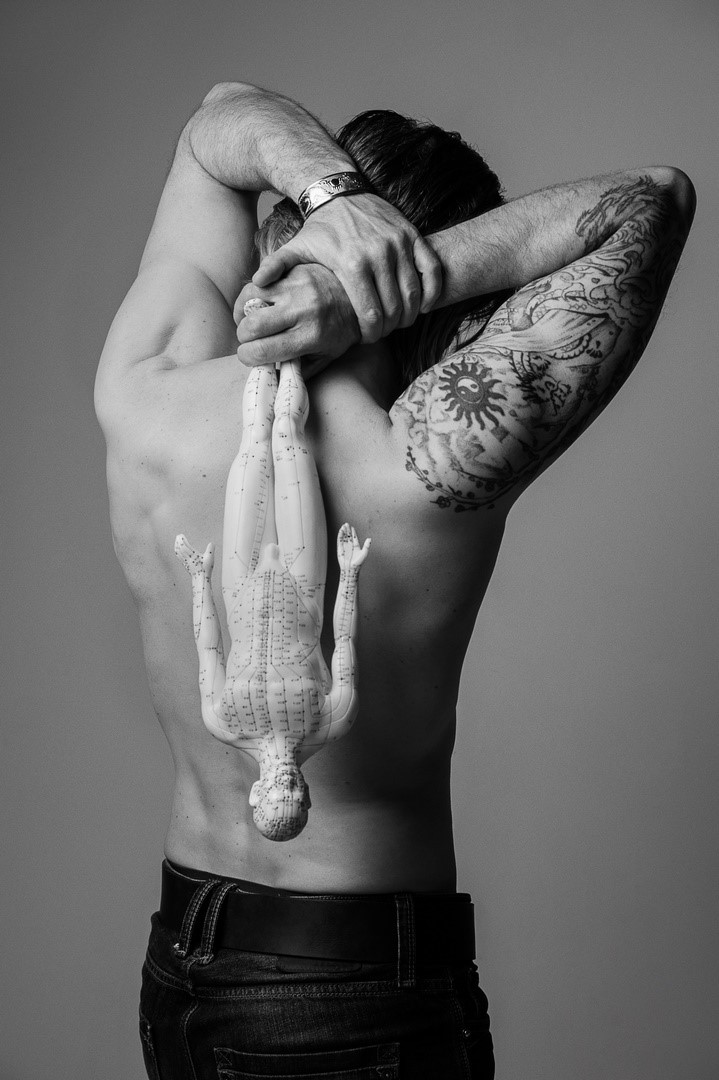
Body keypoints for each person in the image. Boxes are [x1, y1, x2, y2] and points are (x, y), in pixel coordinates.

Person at [95, 81, 695, 1079]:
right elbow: (652, 199)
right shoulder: (427, 465)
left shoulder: (146, 388)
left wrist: (327, 203)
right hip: (354, 989)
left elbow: (221, 118)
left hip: (182, 964)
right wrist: (401, 271)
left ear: (274, 234)